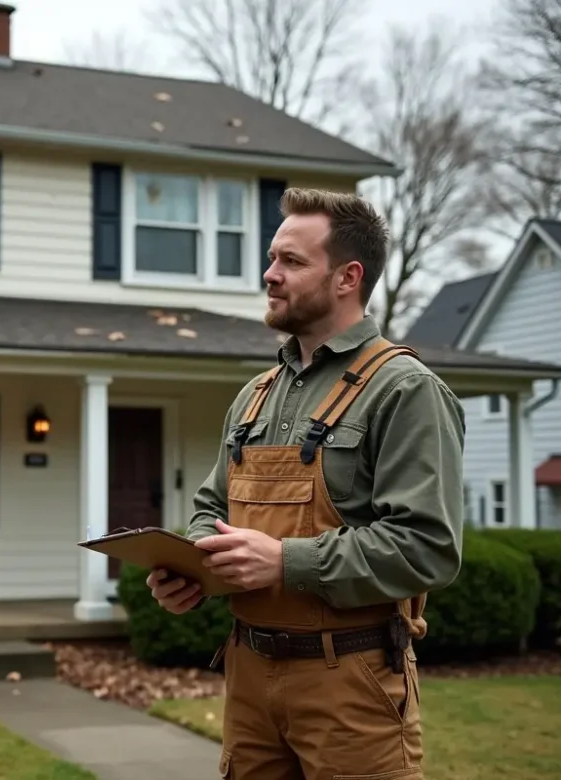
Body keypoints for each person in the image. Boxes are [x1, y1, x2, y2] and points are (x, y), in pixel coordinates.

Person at [146, 188, 466, 780]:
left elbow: (428, 547)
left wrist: (286, 562)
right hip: (247, 675)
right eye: (272, 258)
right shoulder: (256, 393)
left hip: (352, 681)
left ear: (348, 277)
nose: (269, 274)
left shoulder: (404, 390)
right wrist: (192, 567)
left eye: (291, 261)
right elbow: (211, 506)